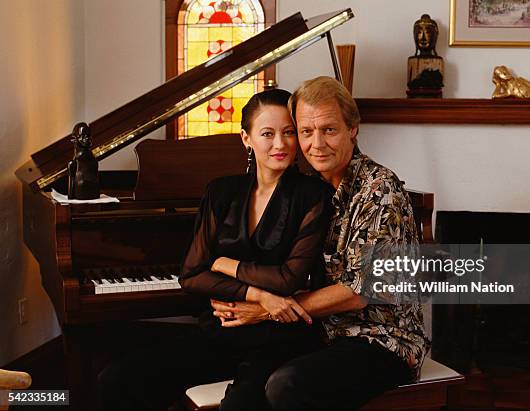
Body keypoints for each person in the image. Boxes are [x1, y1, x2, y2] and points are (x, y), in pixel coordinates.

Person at [97, 88, 333, 411]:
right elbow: (192, 276)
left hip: (280, 339)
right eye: (267, 133)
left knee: (240, 405)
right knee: (118, 378)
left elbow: (288, 279)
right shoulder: (221, 191)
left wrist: (224, 264)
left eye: (289, 132)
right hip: (219, 332)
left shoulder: (313, 194)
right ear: (246, 138)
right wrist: (259, 295)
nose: (280, 144)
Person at [211, 76, 431, 410]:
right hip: (318, 330)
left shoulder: (379, 192)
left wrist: (264, 310)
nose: (317, 144)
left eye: (329, 130)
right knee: (245, 393)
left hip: (381, 339)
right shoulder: (308, 187)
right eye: (306, 132)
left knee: (287, 385)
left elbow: (359, 293)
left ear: (353, 129)